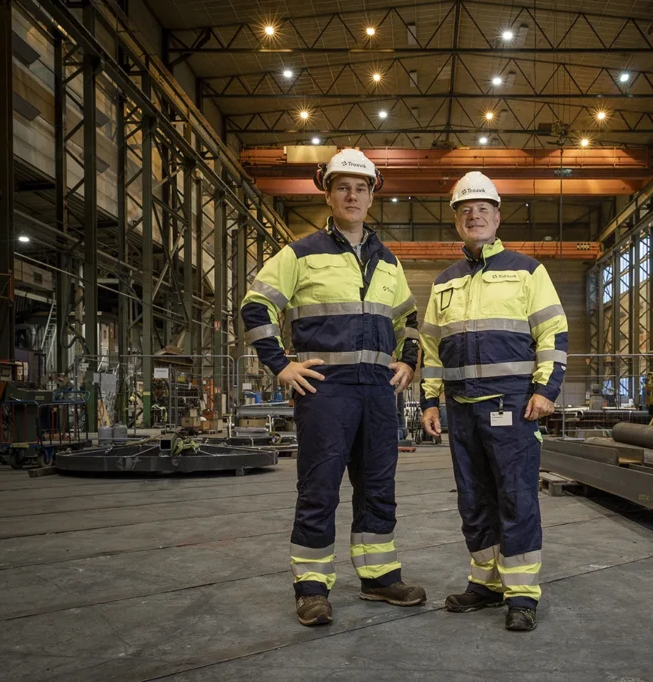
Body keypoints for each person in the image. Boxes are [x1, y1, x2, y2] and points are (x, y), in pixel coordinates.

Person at [240, 148, 426, 627]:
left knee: (378, 488)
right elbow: (255, 307)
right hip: (327, 391)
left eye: (361, 188)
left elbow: (409, 318)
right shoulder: (300, 253)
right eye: (343, 186)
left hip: (379, 394)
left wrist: (408, 361)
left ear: (371, 196)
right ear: (328, 192)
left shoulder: (388, 261)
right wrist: (280, 365)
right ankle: (312, 588)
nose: (352, 195)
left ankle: (379, 577)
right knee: (319, 489)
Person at [419, 171, 568, 632]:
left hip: (515, 406)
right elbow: (429, 347)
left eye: (483, 209)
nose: (475, 216)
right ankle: (485, 582)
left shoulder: (528, 270)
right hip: (462, 409)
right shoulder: (444, 282)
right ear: (456, 221)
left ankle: (521, 593)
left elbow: (553, 332)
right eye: (466, 210)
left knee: (517, 496)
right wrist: (429, 401)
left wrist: (546, 390)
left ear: (497, 216)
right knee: (474, 498)